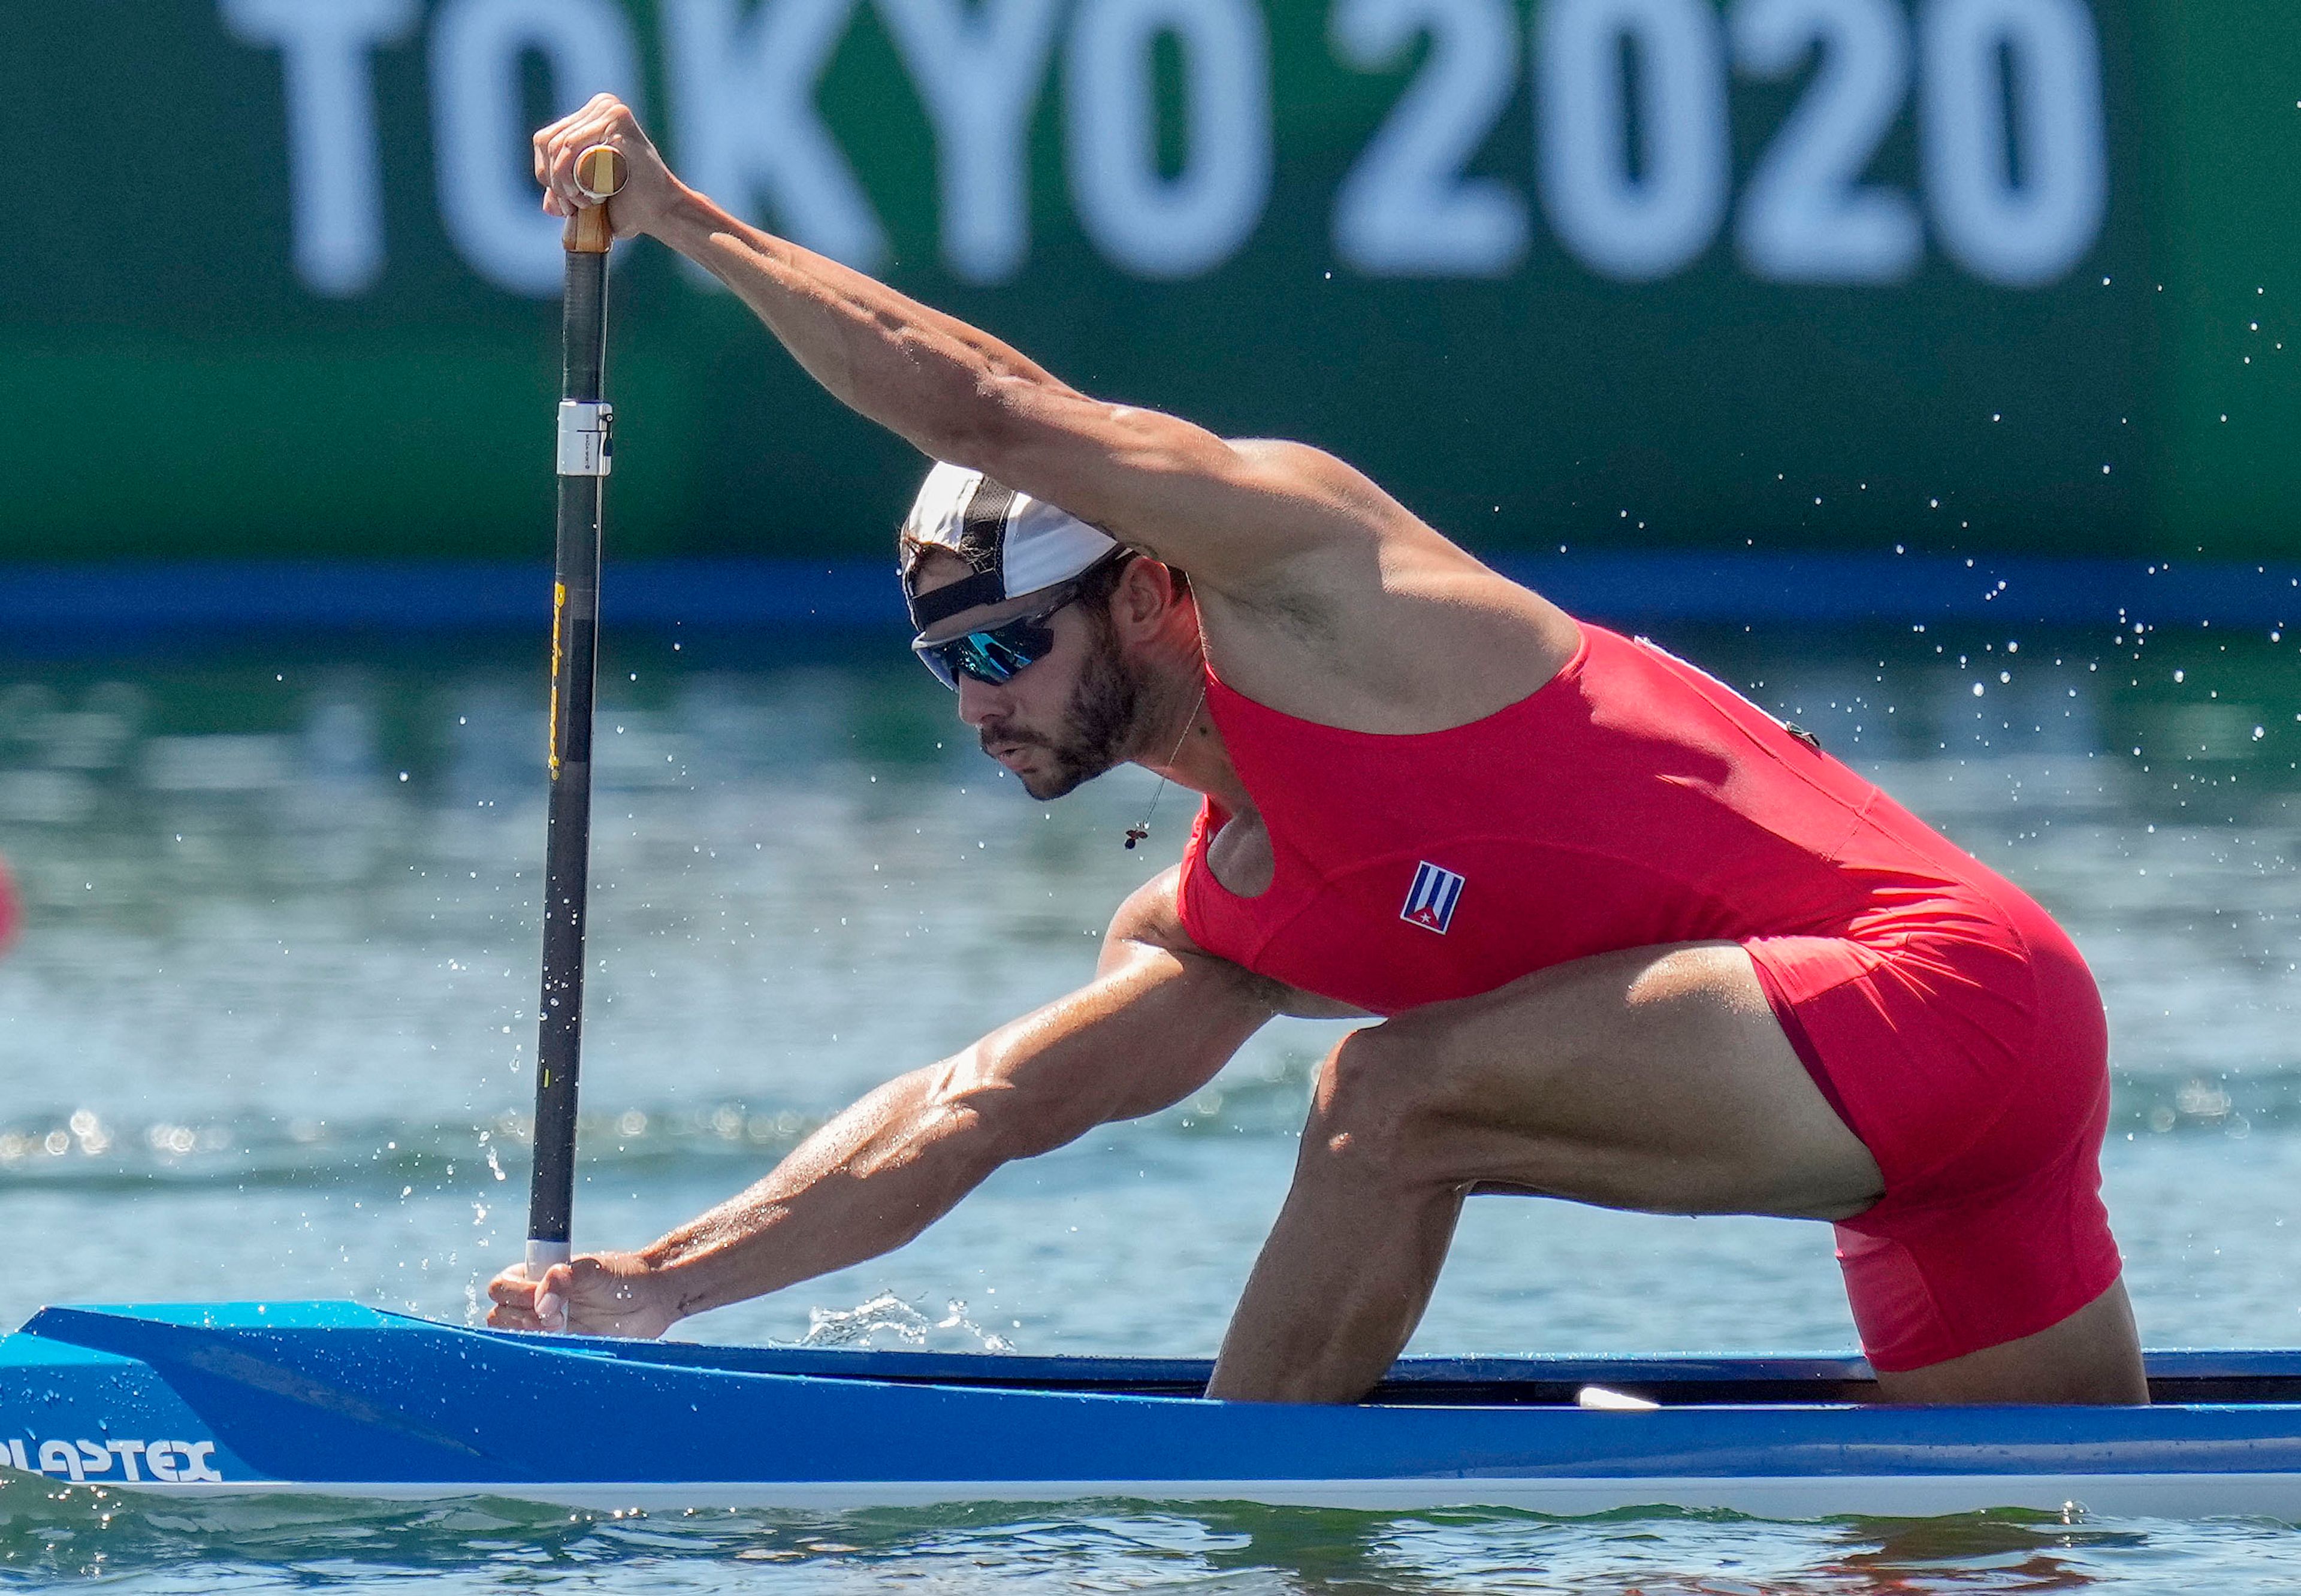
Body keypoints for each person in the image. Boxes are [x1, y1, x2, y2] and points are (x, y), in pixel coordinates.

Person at [489, 95, 2148, 1406]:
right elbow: (979, 1110)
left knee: (1388, 1094)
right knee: (2016, 1540)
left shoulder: (1313, 580)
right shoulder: (1219, 913)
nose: (976, 700)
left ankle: (1242, 1518)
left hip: (1944, 994)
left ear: (1146, 596)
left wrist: (685, 219)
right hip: (1935, 1156)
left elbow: (989, 412)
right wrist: (652, 1286)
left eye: (1007, 646)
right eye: (945, 663)